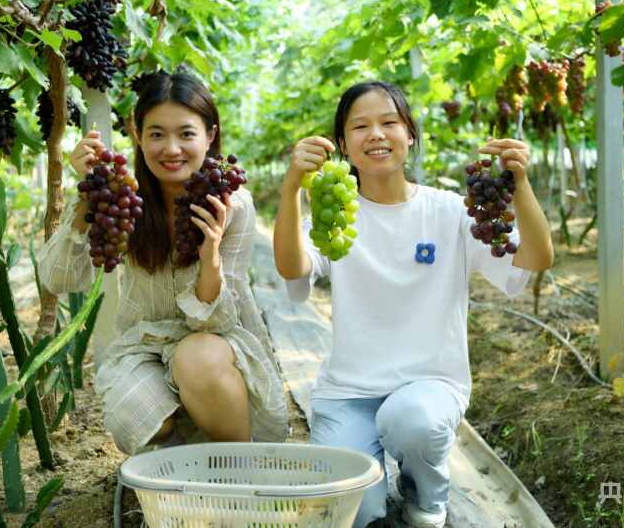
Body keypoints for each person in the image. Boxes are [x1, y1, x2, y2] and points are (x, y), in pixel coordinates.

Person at [273, 81, 553, 528]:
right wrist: (291, 190)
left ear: (411, 134)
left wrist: (520, 187)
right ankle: (372, 493)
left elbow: (537, 257)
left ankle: (425, 496)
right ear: (343, 145)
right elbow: (292, 269)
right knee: (353, 514)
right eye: (360, 126)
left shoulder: (450, 211)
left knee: (411, 419)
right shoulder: (334, 212)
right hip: (349, 393)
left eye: (389, 122)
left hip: (429, 388)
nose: (376, 134)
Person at [37, 73, 288, 455]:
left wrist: (210, 258)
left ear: (210, 135)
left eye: (186, 134)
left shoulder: (232, 205)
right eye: (156, 134)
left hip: (215, 347)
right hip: (145, 345)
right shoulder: (121, 197)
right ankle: (181, 468)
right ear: (138, 137)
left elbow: (217, 322)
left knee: (197, 358)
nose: (171, 148)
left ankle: (241, 468)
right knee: (132, 413)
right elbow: (58, 278)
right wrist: (89, 193)